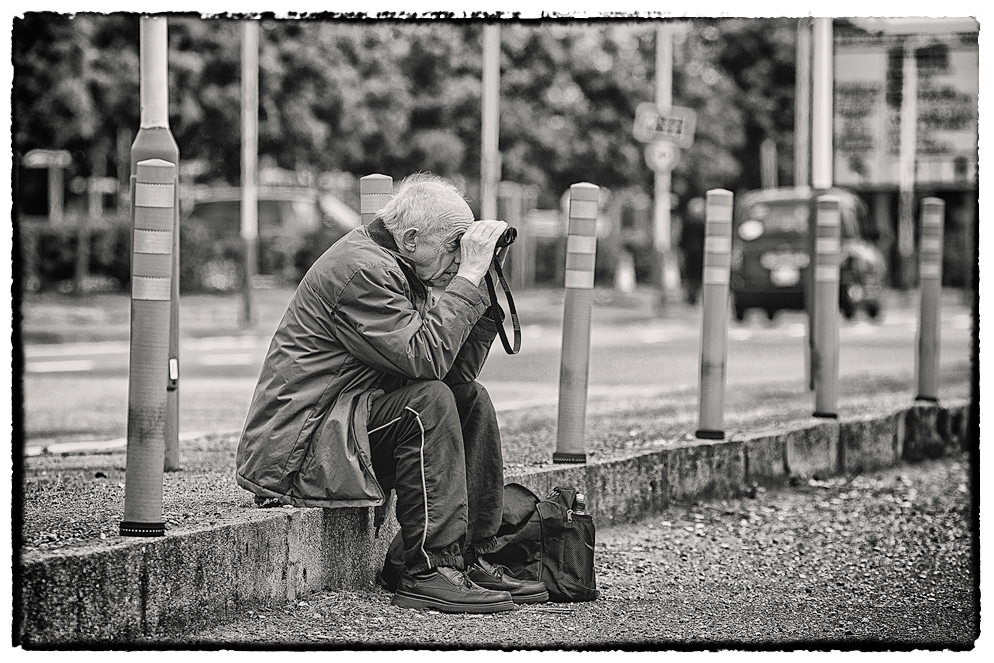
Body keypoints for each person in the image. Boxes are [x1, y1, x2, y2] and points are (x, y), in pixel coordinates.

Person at [235, 172, 548, 614]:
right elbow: (425, 362)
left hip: (345, 422)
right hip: (300, 449)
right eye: (454, 244)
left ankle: (467, 558)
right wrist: (468, 277)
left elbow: (454, 374)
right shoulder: (362, 269)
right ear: (413, 237)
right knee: (428, 404)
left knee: (469, 399)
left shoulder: (400, 263)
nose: (460, 255)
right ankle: (425, 569)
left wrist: (483, 285)